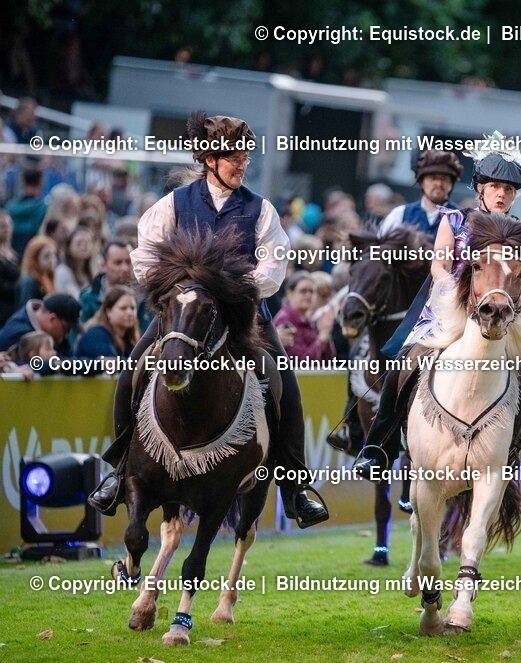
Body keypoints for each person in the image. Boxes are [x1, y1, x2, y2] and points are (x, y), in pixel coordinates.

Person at [86, 111, 328, 527]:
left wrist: (230, 285)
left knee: (284, 382)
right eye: (233, 156)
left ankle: (295, 486)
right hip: (183, 314)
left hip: (244, 317)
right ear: (208, 158)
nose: (242, 163)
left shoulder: (261, 210)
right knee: (132, 374)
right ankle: (119, 468)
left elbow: (273, 269)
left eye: (245, 156)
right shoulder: (172, 205)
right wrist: (183, 285)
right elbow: (143, 260)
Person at [351, 132, 521, 500]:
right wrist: (456, 295)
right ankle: (378, 447)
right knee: (405, 362)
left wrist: (515, 297)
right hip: (455, 312)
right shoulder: (455, 219)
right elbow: (439, 263)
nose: (502, 194)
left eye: (510, 189)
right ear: (479, 187)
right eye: (495, 186)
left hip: (506, 317)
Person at [378, 151, 463, 238]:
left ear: (451, 184)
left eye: (444, 179)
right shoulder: (400, 214)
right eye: (433, 178)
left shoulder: (462, 218)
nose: (438, 184)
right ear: (421, 182)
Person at [272, 271, 336, 360]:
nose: (308, 295)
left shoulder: (310, 321)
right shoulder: (285, 321)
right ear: (290, 294)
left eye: (311, 291)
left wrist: (326, 334)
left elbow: (329, 359)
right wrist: (322, 336)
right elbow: (302, 362)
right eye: (303, 291)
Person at [74, 285, 139, 369]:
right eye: (123, 308)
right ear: (108, 311)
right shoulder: (96, 335)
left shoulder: (128, 338)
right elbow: (111, 364)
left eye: (133, 308)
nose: (130, 313)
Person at [0, 292, 81, 357]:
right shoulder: (18, 333)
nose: (66, 335)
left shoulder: (53, 334)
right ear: (52, 319)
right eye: (66, 329)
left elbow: (68, 357)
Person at [16, 235, 58, 305]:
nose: (52, 260)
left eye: (54, 255)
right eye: (47, 256)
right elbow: (26, 309)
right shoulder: (28, 281)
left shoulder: (48, 276)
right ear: (35, 258)